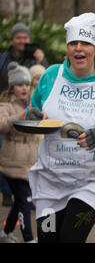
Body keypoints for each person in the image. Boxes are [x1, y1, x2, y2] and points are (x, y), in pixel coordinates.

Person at [26, 12, 95, 243]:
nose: (78, 49)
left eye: (85, 43)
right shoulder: (51, 76)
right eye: (73, 43)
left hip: (92, 182)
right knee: (48, 240)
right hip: (51, 181)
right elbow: (34, 112)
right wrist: (31, 116)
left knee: (70, 239)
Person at [0, 62, 37, 243]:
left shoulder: (32, 102)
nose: (24, 88)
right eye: (20, 84)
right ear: (12, 86)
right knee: (24, 202)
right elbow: (1, 125)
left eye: (27, 84)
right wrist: (19, 117)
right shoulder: (6, 104)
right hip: (12, 162)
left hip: (30, 162)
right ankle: (29, 239)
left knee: (20, 201)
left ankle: (6, 233)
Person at [0, 22, 48, 94]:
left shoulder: (35, 57)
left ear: (29, 39)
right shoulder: (3, 58)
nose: (22, 41)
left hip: (27, 102)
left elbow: (46, 80)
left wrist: (41, 61)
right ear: (12, 40)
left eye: (25, 38)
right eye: (18, 38)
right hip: (4, 100)